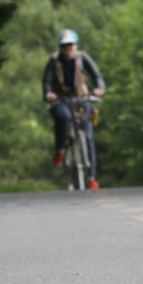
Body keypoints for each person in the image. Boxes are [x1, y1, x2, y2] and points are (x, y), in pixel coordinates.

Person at [42, 29, 105, 189]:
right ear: (60, 47)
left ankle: (91, 177)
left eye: (71, 45)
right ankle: (60, 149)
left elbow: (96, 75)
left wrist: (99, 89)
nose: (68, 49)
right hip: (60, 99)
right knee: (63, 117)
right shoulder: (54, 60)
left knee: (88, 135)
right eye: (65, 46)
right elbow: (47, 81)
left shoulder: (82, 58)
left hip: (81, 99)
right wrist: (48, 93)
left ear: (76, 46)